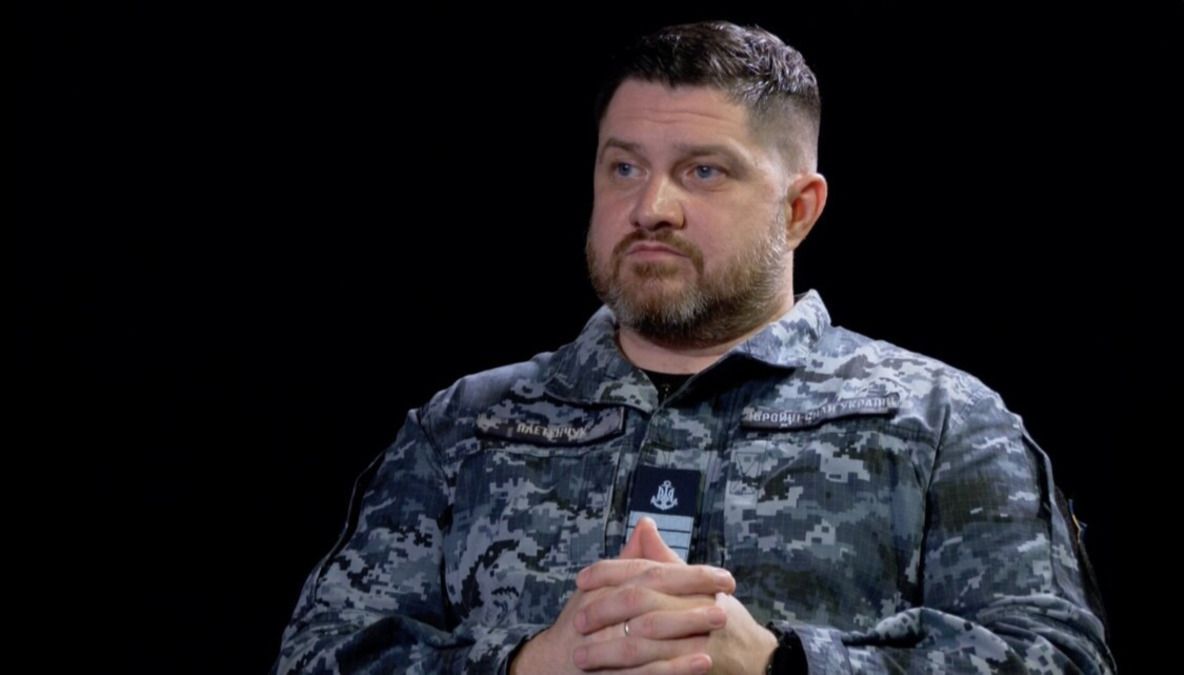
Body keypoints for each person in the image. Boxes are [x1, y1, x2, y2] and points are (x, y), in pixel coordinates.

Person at [274, 20, 1114, 674]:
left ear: (798, 210)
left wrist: (784, 663)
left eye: (703, 171)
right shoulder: (464, 426)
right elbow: (317, 654)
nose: (652, 207)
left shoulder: (942, 420)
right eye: (624, 168)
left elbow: (1061, 659)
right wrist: (528, 663)